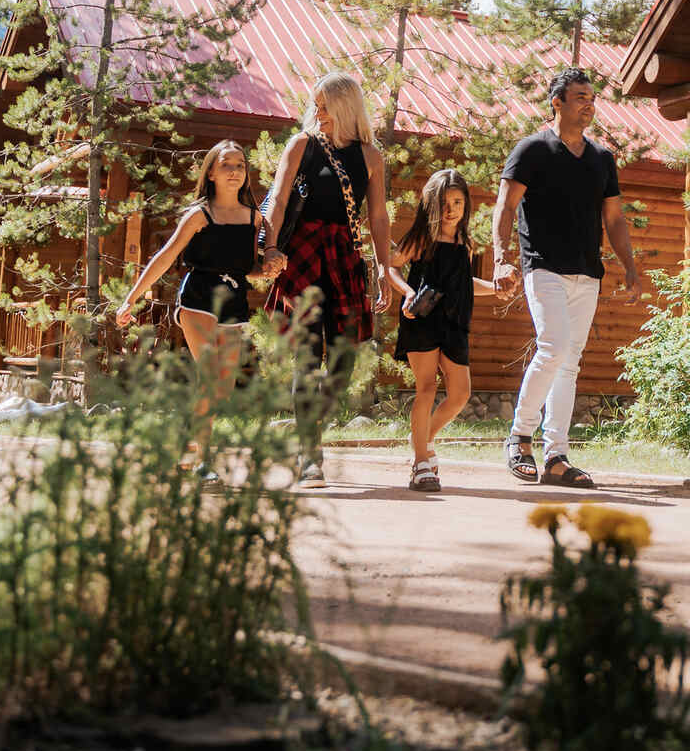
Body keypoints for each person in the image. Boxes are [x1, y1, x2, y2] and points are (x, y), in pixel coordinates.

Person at [492, 68, 647, 489]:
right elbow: (505, 207)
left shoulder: (601, 159)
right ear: (556, 102)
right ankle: (520, 435)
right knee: (553, 347)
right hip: (542, 266)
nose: (589, 104)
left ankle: (556, 456)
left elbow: (613, 218)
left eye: (592, 97)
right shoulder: (532, 150)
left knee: (570, 363)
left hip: (586, 273)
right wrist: (500, 258)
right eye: (580, 96)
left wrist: (630, 268)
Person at [115, 139, 284, 482]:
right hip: (198, 298)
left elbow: (244, 266)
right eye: (226, 164)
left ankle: (181, 446)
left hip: (234, 299)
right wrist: (131, 298)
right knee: (209, 378)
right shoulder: (199, 214)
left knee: (221, 385)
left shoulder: (254, 219)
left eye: (240, 165)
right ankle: (196, 460)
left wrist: (267, 269)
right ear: (211, 172)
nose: (234, 171)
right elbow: (165, 256)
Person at [261, 72, 395, 488]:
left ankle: (308, 432)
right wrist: (268, 249)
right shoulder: (301, 146)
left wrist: (385, 269)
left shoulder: (371, 157)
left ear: (344, 108)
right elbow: (279, 199)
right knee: (307, 354)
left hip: (344, 258)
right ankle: (309, 455)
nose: (316, 113)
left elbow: (377, 216)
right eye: (314, 105)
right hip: (302, 254)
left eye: (324, 106)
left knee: (343, 360)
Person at [384, 169, 506, 492]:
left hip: (454, 324)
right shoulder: (422, 238)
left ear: (465, 205)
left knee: (460, 394)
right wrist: (407, 293)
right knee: (426, 388)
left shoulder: (465, 243)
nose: (451, 209)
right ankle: (421, 462)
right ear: (431, 204)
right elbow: (391, 266)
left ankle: (422, 440)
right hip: (422, 318)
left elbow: (465, 285)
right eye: (444, 202)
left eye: (457, 202)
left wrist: (495, 288)